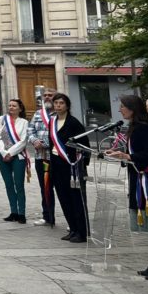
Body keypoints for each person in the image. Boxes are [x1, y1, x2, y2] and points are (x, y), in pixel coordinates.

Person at [105, 95, 148, 280]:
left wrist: (127, 157)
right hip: (146, 180)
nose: (120, 110)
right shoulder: (143, 128)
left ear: (132, 109)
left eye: (123, 107)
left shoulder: (143, 129)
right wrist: (124, 155)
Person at [46, 92, 88, 242]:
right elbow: (51, 143)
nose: (58, 106)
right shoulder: (52, 122)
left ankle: (81, 232)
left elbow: (85, 146)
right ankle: (72, 229)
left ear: (67, 106)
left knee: (76, 199)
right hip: (56, 164)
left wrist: (81, 166)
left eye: (61, 103)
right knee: (63, 198)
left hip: (71, 166)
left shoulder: (74, 123)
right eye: (56, 103)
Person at [0, 98, 29, 224]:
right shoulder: (1, 119)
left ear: (20, 108)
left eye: (14, 106)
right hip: (3, 156)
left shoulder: (24, 122)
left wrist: (11, 153)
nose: (11, 107)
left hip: (18, 156)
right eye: (9, 105)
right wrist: (4, 153)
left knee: (19, 185)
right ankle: (13, 211)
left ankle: (22, 213)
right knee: (8, 184)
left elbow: (23, 141)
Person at [28, 87, 57, 227]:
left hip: (57, 158)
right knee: (44, 187)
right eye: (45, 95)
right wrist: (34, 141)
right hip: (41, 157)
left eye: (50, 95)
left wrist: (44, 143)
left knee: (62, 189)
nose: (47, 97)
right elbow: (30, 130)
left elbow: (61, 135)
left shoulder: (60, 114)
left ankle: (71, 219)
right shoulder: (38, 114)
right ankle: (48, 216)